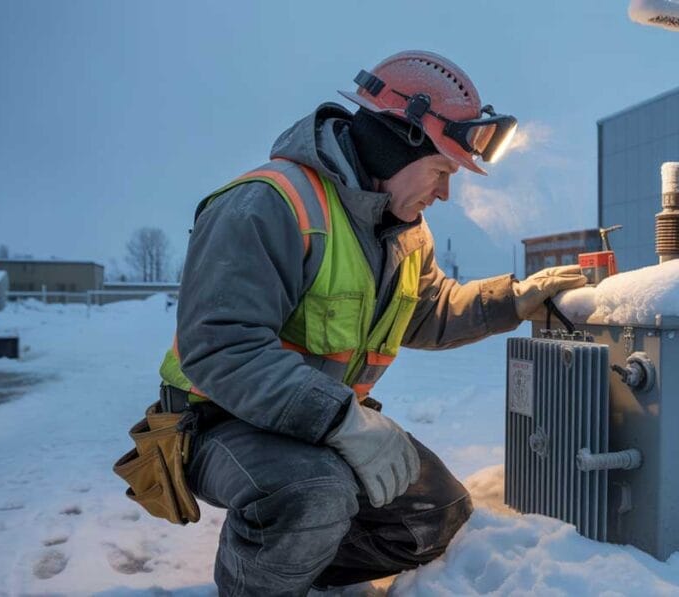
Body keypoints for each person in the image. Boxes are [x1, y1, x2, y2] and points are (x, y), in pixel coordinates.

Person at [158, 50, 586, 595]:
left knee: (437, 513)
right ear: (394, 142)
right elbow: (221, 348)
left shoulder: (404, 233)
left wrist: (514, 301)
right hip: (220, 421)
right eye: (441, 170)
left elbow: (429, 312)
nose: (445, 192)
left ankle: (292, 562)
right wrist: (345, 423)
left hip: (316, 425)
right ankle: (256, 581)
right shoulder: (266, 205)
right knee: (317, 492)